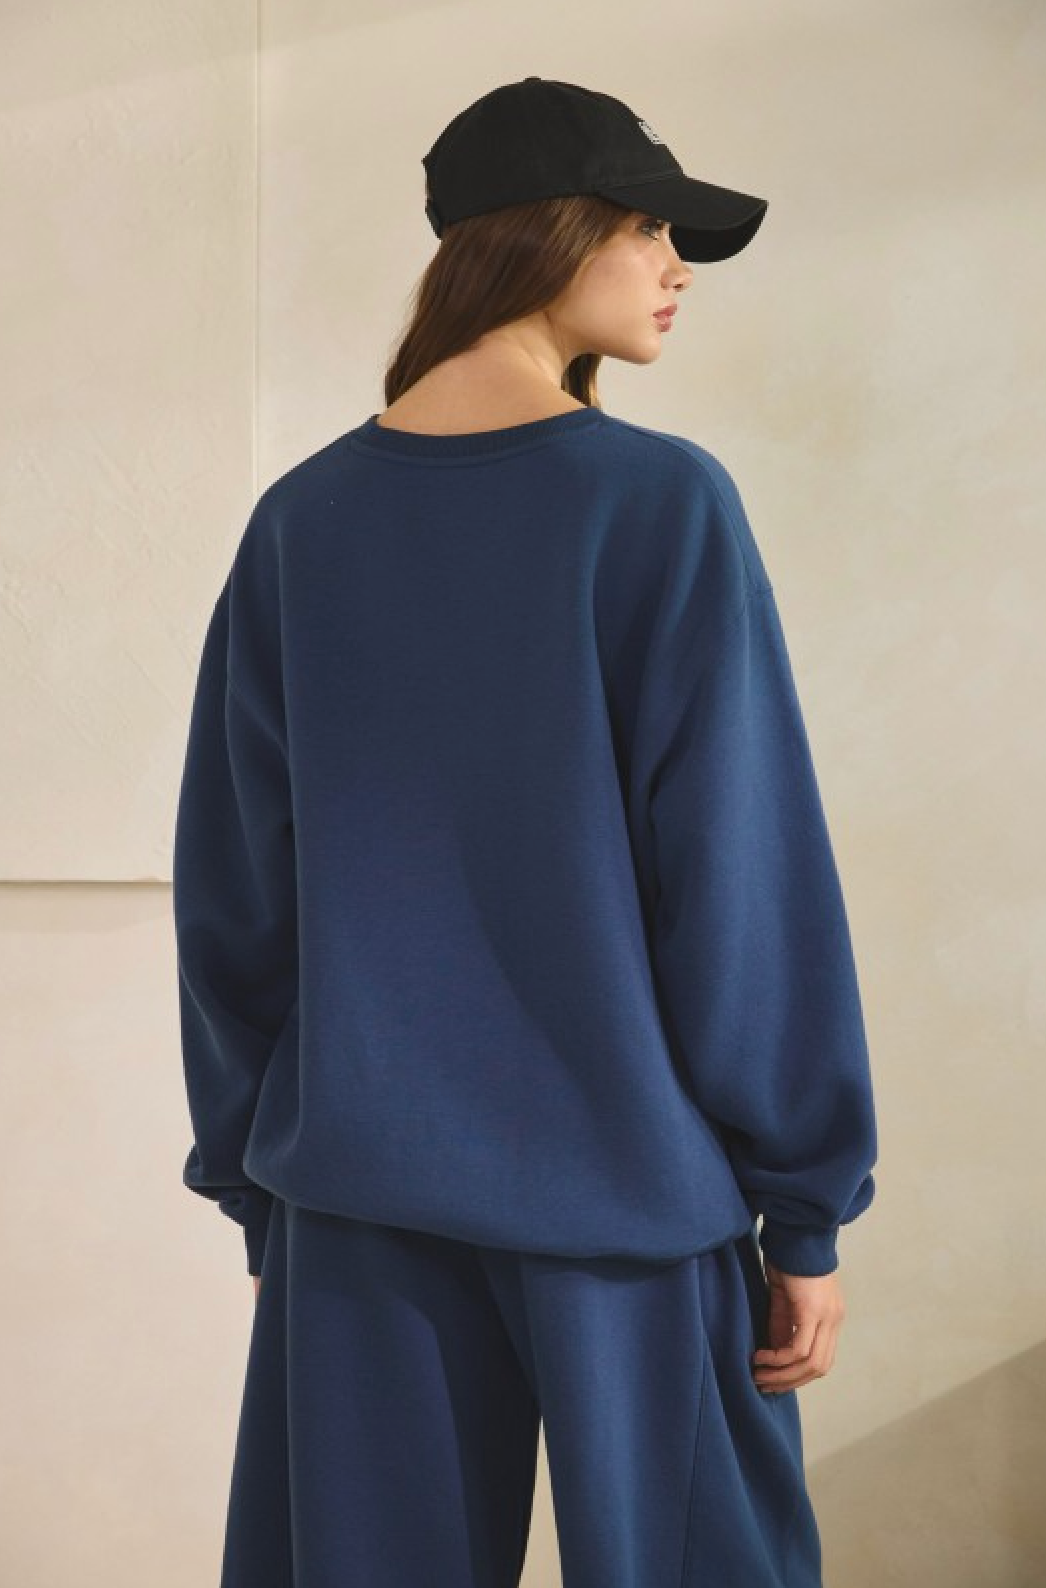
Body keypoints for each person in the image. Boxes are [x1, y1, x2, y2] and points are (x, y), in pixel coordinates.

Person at [173, 76, 878, 1588]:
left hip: (355, 1199)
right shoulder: (659, 505)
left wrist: (254, 1178)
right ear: (548, 236)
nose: (677, 267)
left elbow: (233, 897)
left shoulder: (303, 522)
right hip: (627, 1199)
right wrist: (804, 1210)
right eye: (648, 229)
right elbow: (739, 883)